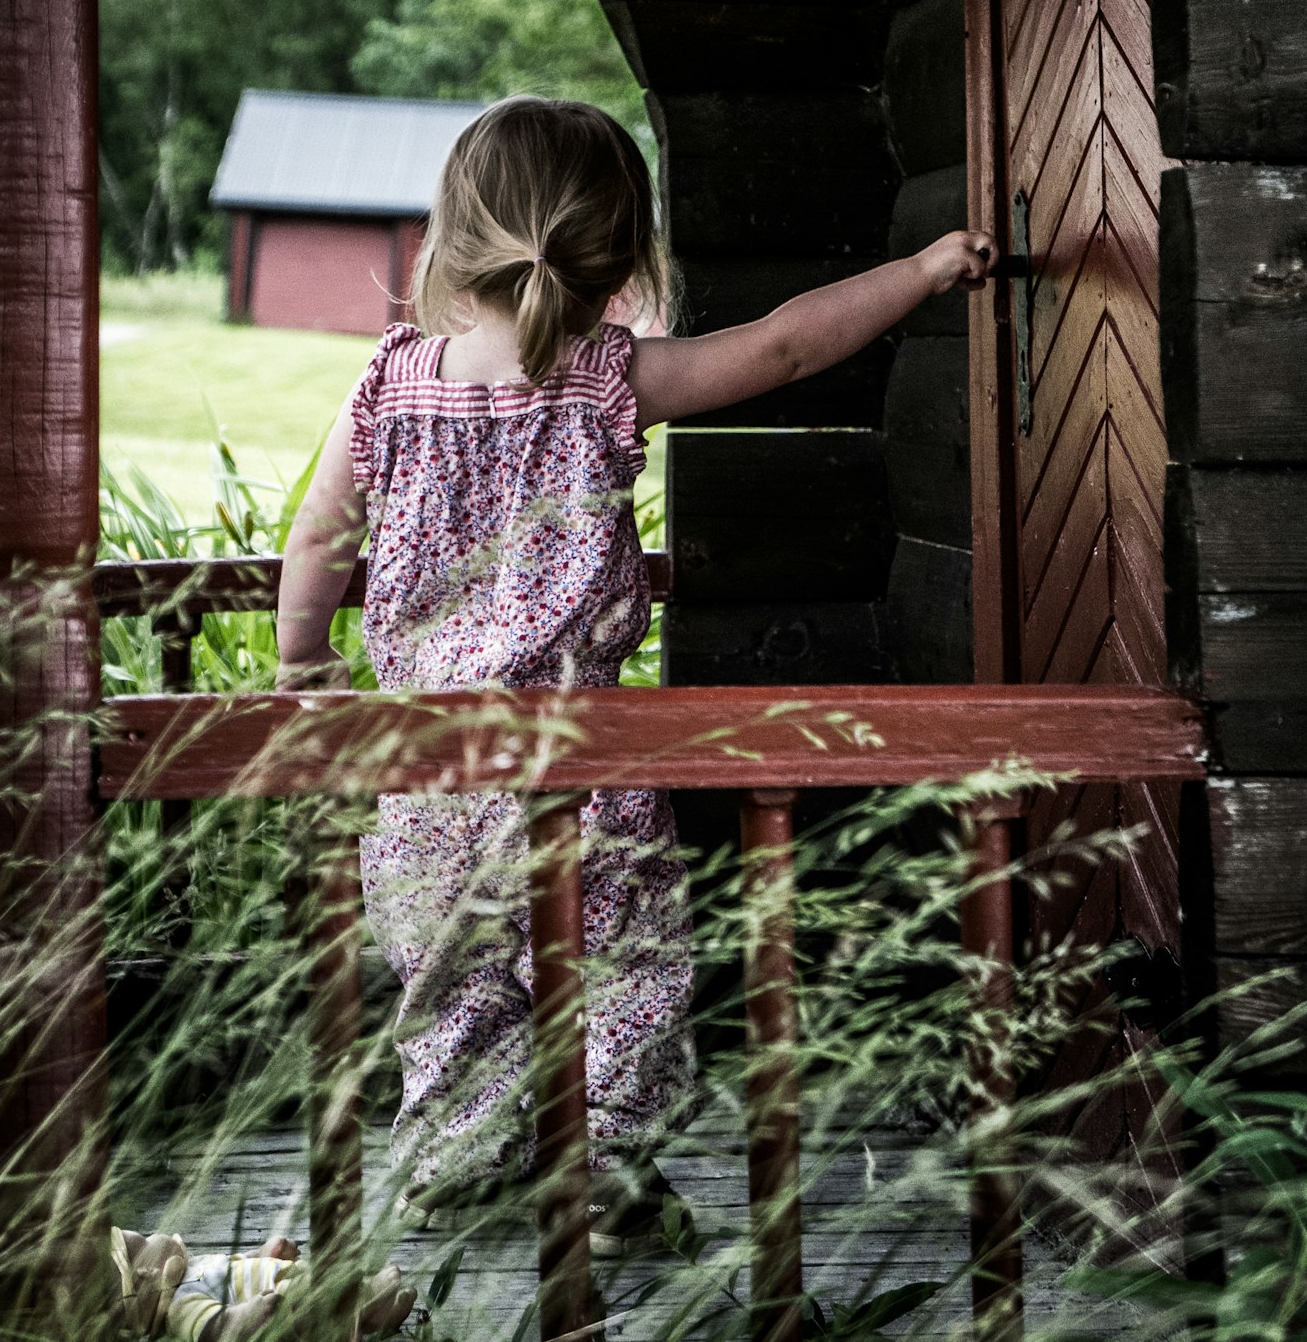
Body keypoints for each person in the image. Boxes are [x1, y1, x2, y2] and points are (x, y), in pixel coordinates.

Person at [276, 96, 996, 1255]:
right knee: (622, 971)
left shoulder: (387, 383)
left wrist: (303, 672)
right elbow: (785, 344)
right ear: (617, 248)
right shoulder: (605, 376)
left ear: (453, 233)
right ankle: (608, 1170)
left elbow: (317, 542)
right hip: (579, 756)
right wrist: (917, 268)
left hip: (427, 768)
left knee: (449, 979)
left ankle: (458, 1164)